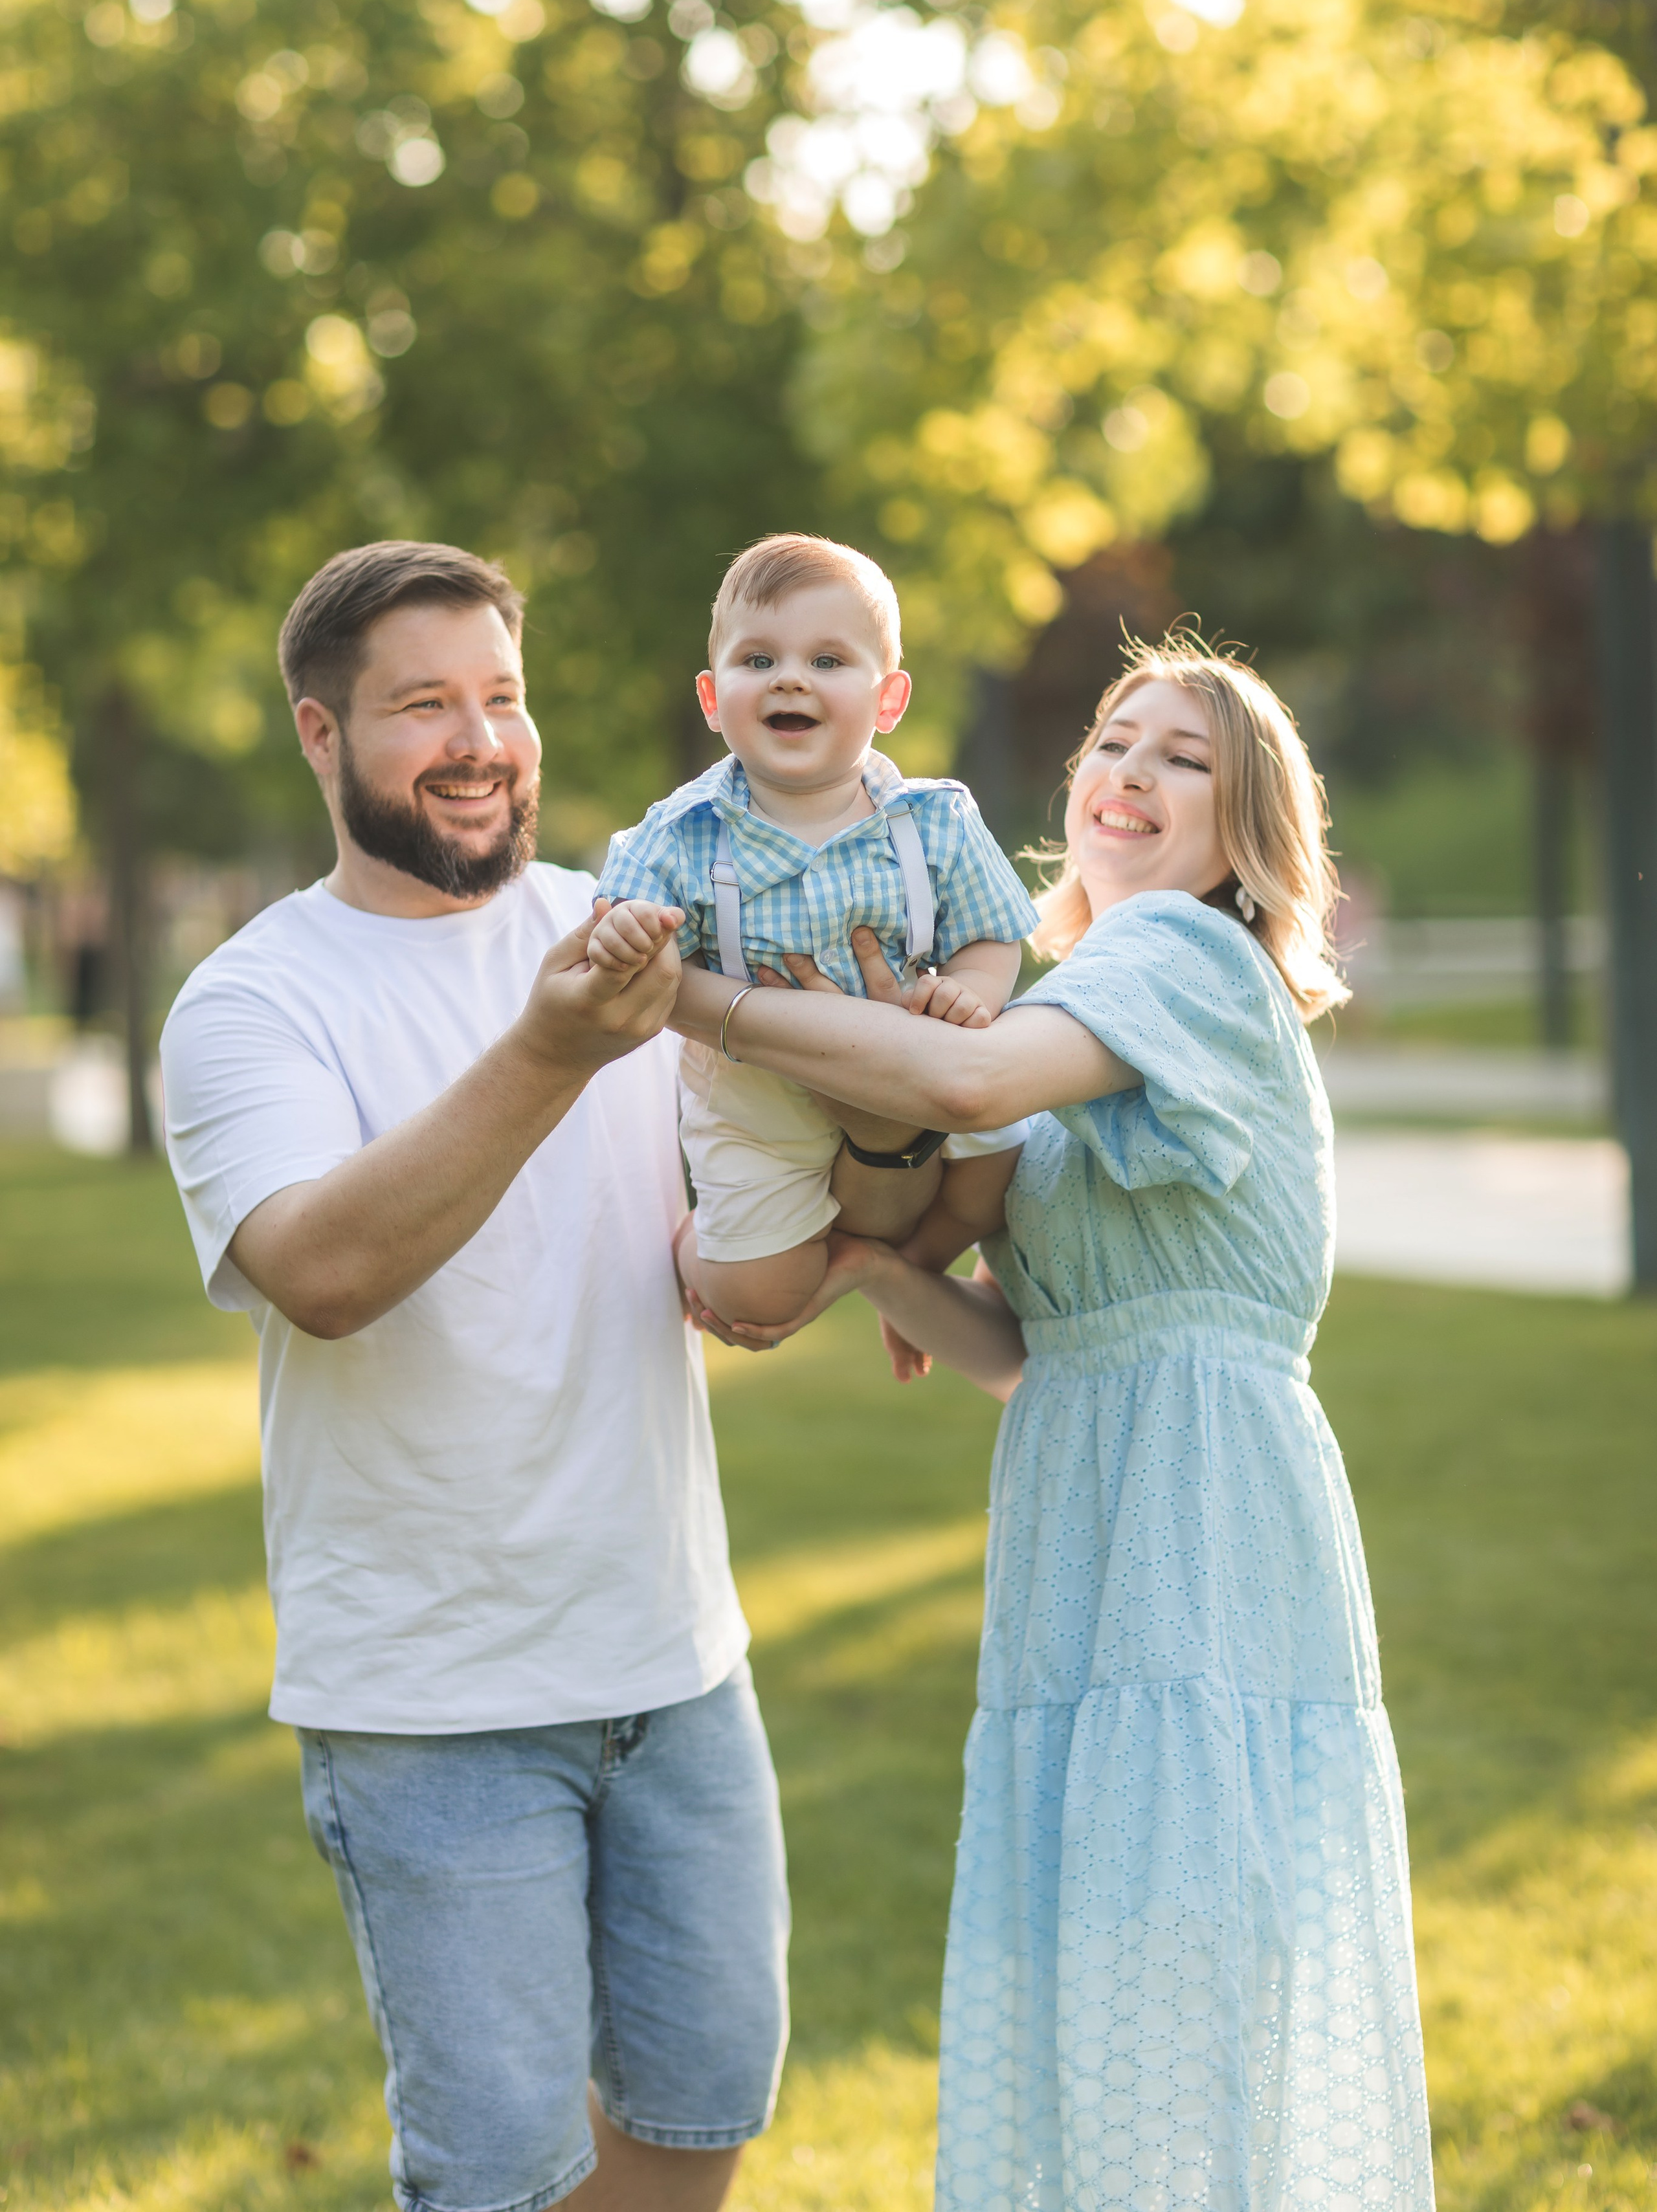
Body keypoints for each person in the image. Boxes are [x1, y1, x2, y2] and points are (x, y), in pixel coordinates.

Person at [672, 637, 1435, 2211]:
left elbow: (961, 1073)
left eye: (1181, 757)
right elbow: (1039, 1354)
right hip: (1086, 1488)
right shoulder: (1092, 981)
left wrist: (698, 997)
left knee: (1187, 1954)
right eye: (1111, 737)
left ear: (1247, 829)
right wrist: (877, 1265)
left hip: (1204, 1504)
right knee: (1114, 1949)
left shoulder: (1184, 954)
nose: (1127, 772)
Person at [159, 540, 788, 2212]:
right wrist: (547, 1051)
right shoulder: (256, 1002)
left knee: (700, 2109)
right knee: (502, 2174)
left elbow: (740, 1195)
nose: (479, 741)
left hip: (674, 1662)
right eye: (422, 705)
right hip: (432, 1702)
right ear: (320, 734)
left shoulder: (624, 926)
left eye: (501, 698)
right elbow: (328, 1271)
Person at [592, 533, 1039, 1329]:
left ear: (889, 700)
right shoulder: (682, 831)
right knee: (760, 1294)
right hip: (753, 1079)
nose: (790, 677)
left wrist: (971, 991)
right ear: (711, 696)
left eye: (828, 661)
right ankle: (710, 1249)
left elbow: (994, 932)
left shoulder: (933, 821)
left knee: (996, 1172)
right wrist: (626, 929)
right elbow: (623, 917)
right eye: (757, 660)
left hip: (909, 1052)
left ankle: (900, 1272)